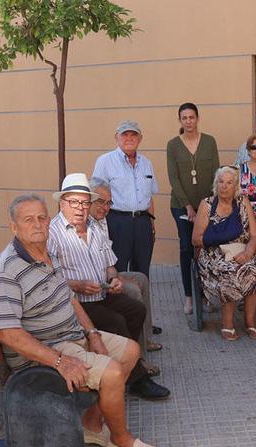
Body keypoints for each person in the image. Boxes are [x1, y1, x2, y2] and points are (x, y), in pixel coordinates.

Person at [0, 194, 164, 447]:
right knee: (113, 372)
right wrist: (60, 362)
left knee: (130, 351)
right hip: (43, 351)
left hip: (71, 336)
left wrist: (92, 334)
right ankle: (121, 442)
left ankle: (91, 424)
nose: (37, 224)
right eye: (28, 219)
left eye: (42, 218)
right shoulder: (5, 270)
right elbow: (8, 335)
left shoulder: (47, 253)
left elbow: (68, 299)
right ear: (13, 227)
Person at [47, 174, 169, 400]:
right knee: (116, 321)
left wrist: (114, 279)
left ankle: (126, 365)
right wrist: (78, 285)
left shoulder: (94, 227)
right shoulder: (53, 234)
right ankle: (138, 379)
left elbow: (110, 264)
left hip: (101, 293)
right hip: (76, 304)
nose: (80, 208)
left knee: (136, 310)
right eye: (74, 202)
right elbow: (49, 281)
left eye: (84, 202)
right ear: (62, 203)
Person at [191, 166, 256, 341]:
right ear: (215, 185)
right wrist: (220, 239)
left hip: (241, 251)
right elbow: (196, 240)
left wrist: (248, 252)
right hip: (213, 254)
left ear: (236, 187)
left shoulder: (243, 202)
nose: (224, 186)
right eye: (221, 182)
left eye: (229, 182)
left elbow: (254, 235)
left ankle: (250, 321)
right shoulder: (207, 204)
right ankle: (227, 323)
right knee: (229, 271)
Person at [89, 178, 163, 358]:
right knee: (133, 290)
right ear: (88, 200)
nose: (104, 207)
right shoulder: (85, 225)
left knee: (141, 279)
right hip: (94, 284)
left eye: (108, 203)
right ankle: (138, 357)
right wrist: (119, 279)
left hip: (107, 275)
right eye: (99, 201)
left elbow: (108, 261)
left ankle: (145, 339)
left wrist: (118, 277)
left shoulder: (103, 222)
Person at [166, 102, 220, 315]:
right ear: (180, 120)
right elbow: (174, 178)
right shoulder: (173, 145)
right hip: (181, 206)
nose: (188, 121)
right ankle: (189, 296)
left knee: (207, 249)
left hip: (206, 206)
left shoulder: (209, 142)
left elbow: (216, 174)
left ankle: (206, 294)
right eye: (184, 118)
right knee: (187, 249)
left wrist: (207, 207)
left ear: (197, 118)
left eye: (192, 117)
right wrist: (188, 206)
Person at [91, 120, 158, 277]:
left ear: (140, 138)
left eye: (133, 135)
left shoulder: (146, 163)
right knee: (117, 271)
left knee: (142, 272)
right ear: (117, 137)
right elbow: (96, 196)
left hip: (143, 223)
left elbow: (149, 198)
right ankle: (119, 302)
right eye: (125, 134)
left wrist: (152, 226)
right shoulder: (105, 161)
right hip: (117, 223)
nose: (129, 138)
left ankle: (141, 302)